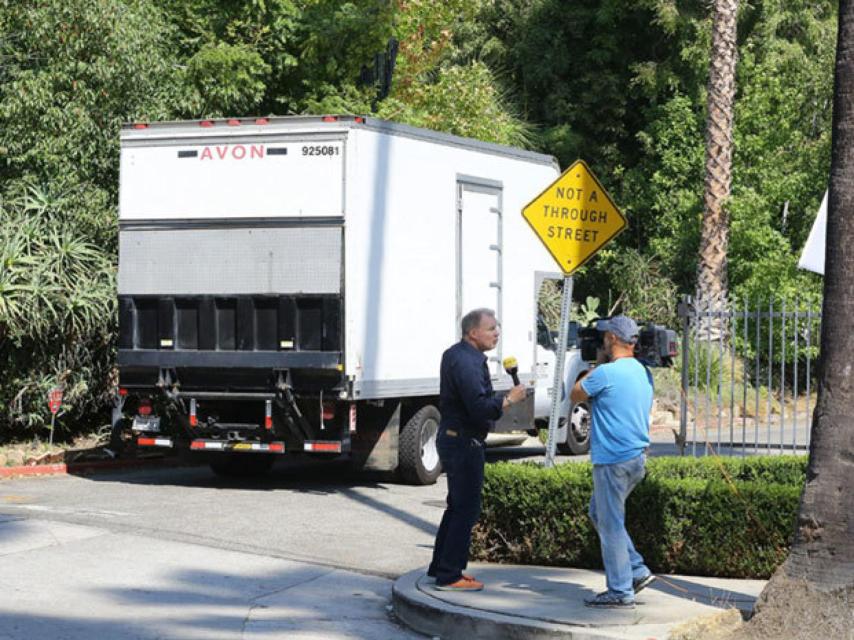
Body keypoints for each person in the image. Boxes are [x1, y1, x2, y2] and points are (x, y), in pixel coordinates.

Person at [427, 308, 527, 591]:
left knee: (456, 506)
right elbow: (479, 407)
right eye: (491, 328)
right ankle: (449, 575)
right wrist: (509, 399)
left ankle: (441, 567)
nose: (497, 333)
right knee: (466, 509)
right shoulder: (467, 362)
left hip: (456, 438)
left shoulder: (457, 354)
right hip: (462, 441)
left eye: (498, 328)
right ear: (473, 332)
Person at [570, 315, 656, 609]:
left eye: (604, 336)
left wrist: (592, 365)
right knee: (600, 513)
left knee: (610, 525)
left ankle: (620, 590)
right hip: (635, 460)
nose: (601, 340)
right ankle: (636, 571)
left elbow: (575, 394)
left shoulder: (604, 374)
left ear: (613, 340)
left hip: (612, 462)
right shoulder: (643, 371)